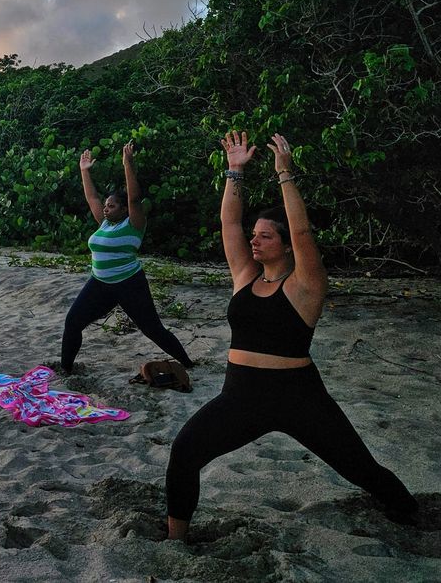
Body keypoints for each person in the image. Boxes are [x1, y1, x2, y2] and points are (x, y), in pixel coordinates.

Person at [164, 132, 419, 540]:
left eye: (266, 236)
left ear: (284, 246)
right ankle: (176, 540)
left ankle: (412, 514)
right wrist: (235, 171)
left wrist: (285, 175)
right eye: (256, 235)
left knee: (361, 469)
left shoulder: (306, 286)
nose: (255, 240)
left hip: (299, 397)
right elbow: (229, 222)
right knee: (184, 452)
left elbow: (303, 235)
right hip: (240, 397)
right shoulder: (246, 277)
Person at [59, 141, 195, 373]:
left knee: (153, 329)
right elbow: (92, 198)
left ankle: (188, 364)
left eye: (111, 206)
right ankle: (65, 370)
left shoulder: (134, 224)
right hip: (99, 283)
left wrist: (127, 163)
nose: (106, 208)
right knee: (73, 322)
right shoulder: (104, 224)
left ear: (123, 210)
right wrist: (84, 171)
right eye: (106, 205)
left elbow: (134, 197)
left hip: (129, 284)